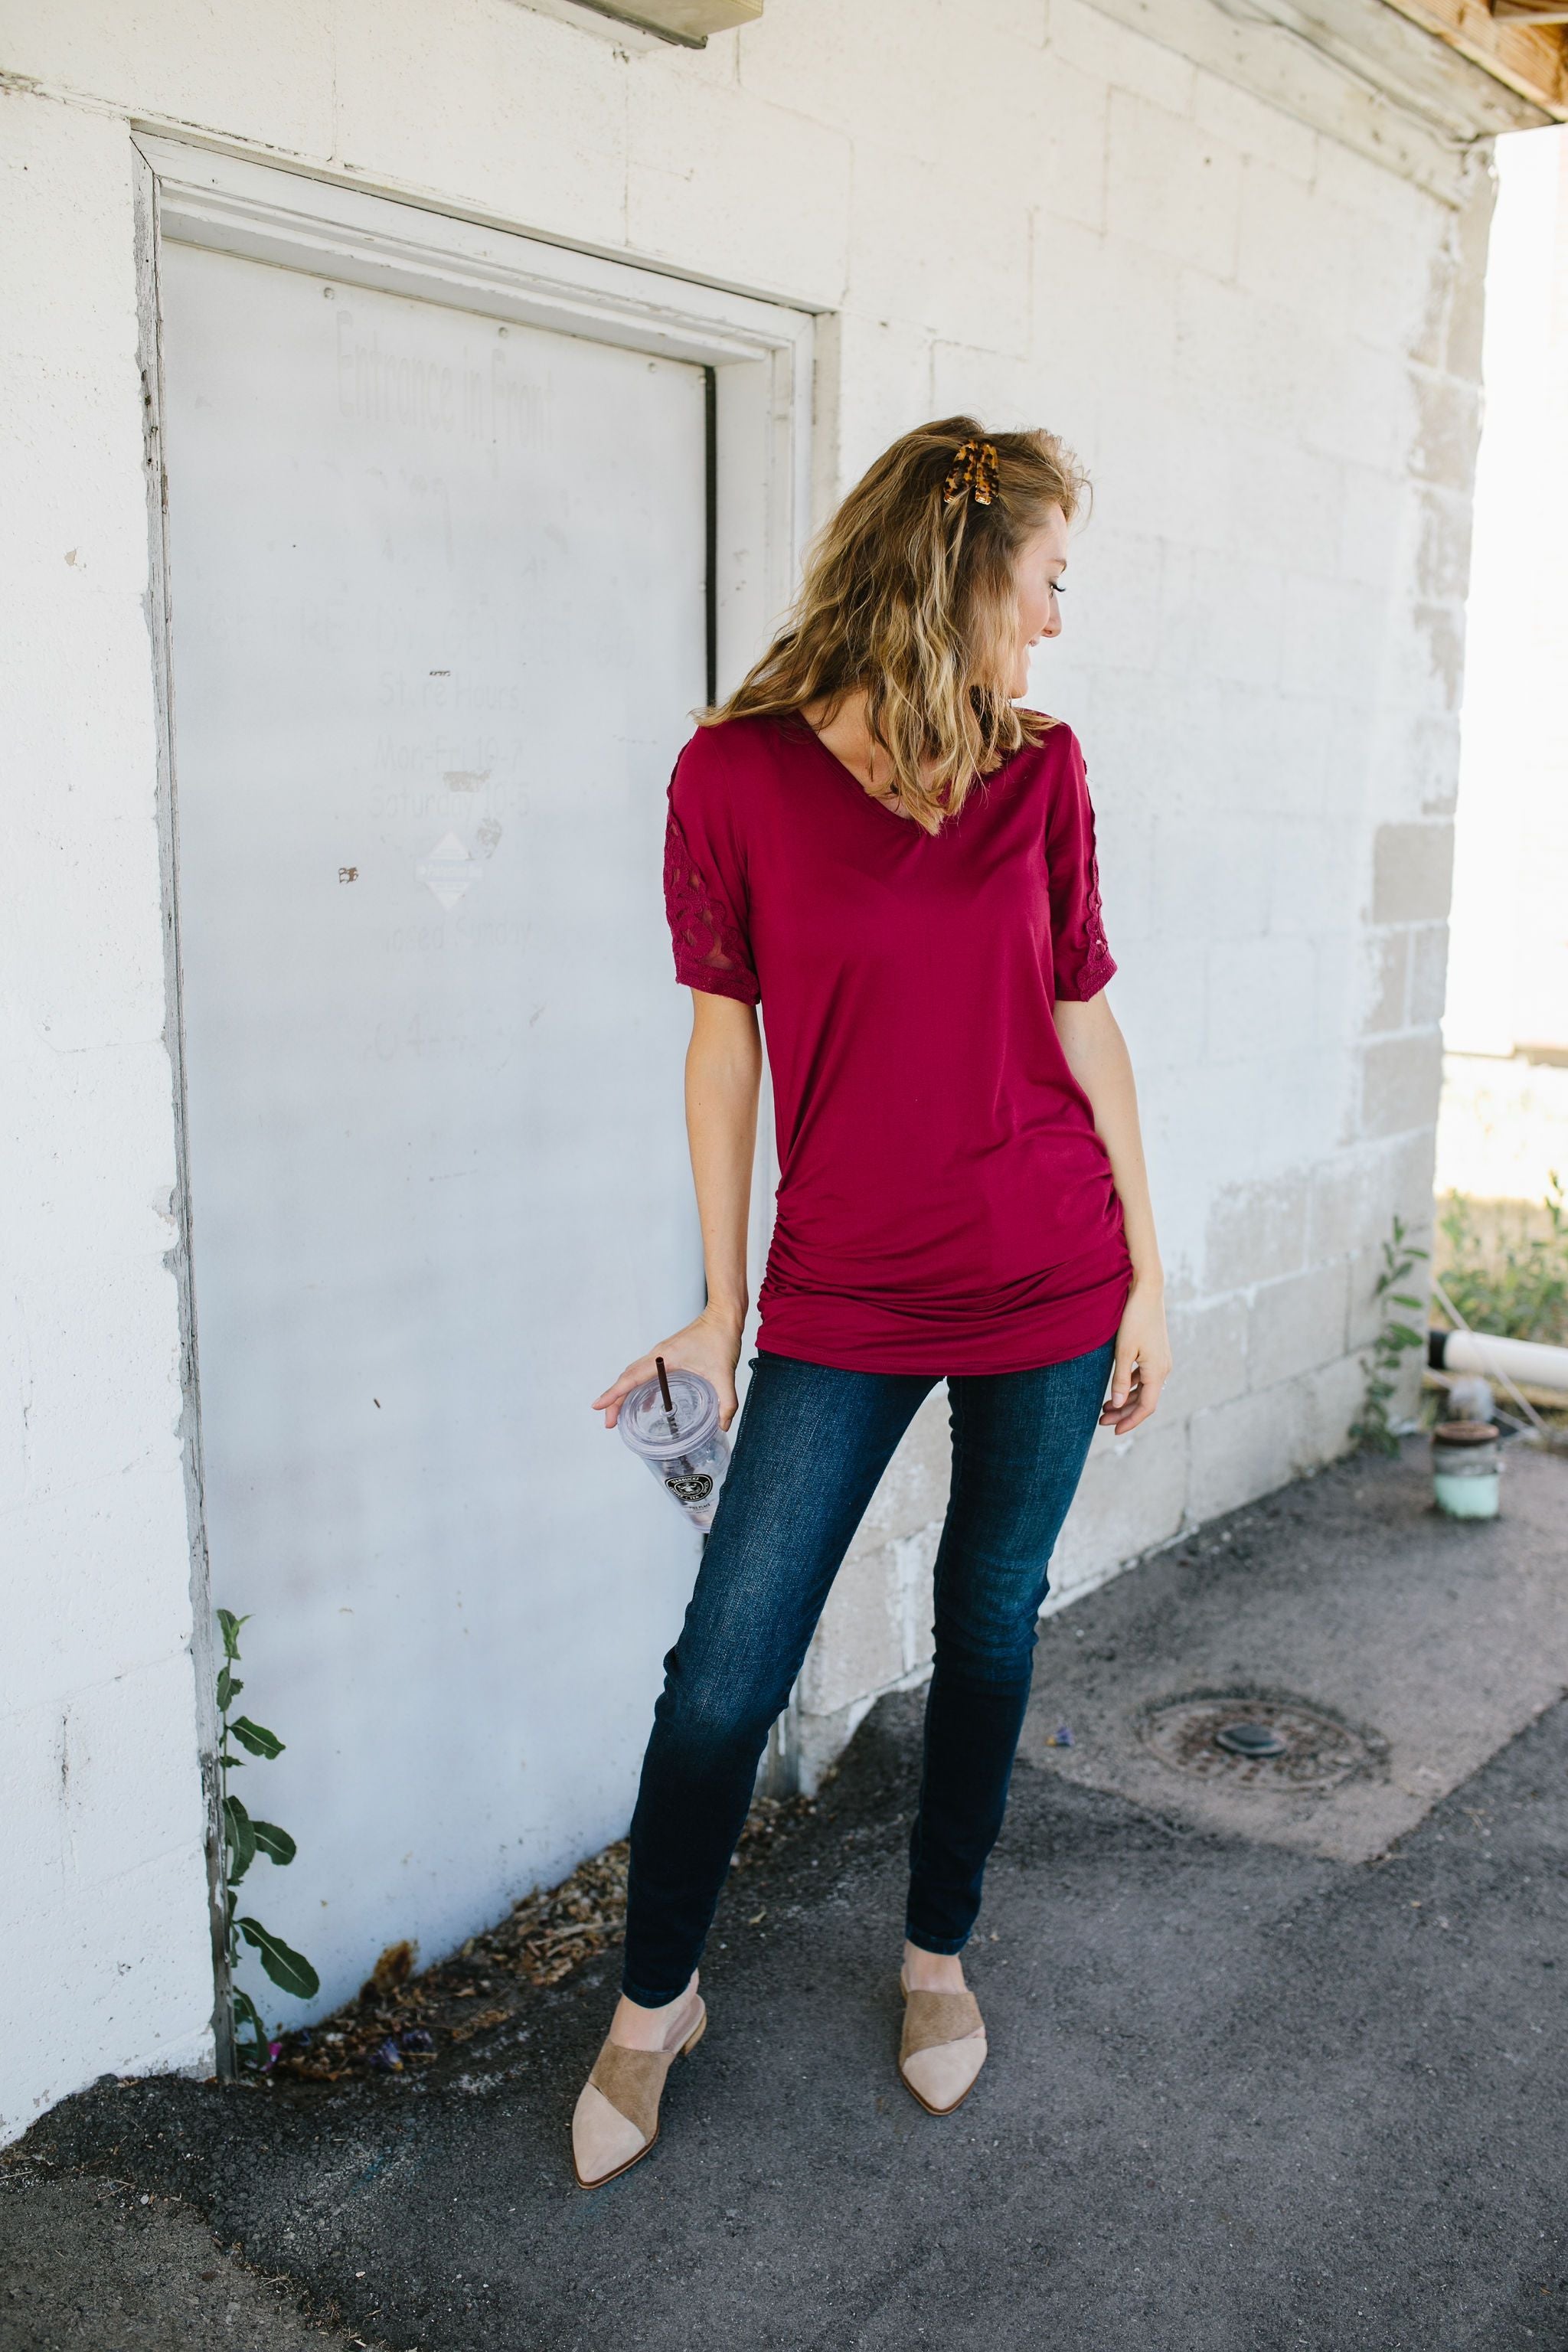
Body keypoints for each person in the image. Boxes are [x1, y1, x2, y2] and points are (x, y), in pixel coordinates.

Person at [574, 417, 1171, 2189]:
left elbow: (1083, 1018)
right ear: (966, 568)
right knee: (722, 1677)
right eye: (1047, 582)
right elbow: (719, 1046)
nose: (1056, 622)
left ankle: (933, 1959)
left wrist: (1148, 1269)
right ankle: (651, 2002)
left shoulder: (1041, 771)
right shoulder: (733, 778)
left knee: (988, 1629)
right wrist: (719, 1306)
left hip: (1053, 1278)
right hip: (841, 1294)